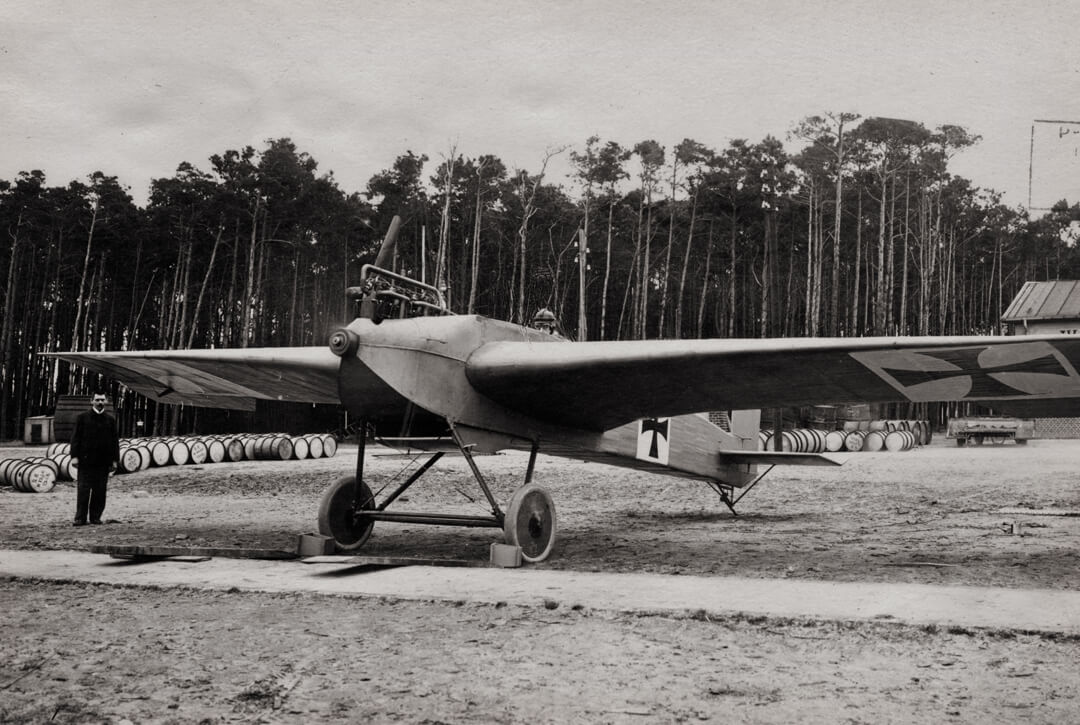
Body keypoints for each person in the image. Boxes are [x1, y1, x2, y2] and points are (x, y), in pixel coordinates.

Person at [69, 392, 120, 526]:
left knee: (100, 491)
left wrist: (115, 460)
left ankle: (95, 517)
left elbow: (114, 442)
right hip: (86, 462)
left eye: (102, 400)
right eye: (97, 400)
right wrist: (74, 457)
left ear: (106, 401)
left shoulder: (110, 420)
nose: (100, 402)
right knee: (83, 490)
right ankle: (80, 518)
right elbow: (75, 439)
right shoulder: (82, 418)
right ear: (91, 401)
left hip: (103, 463)